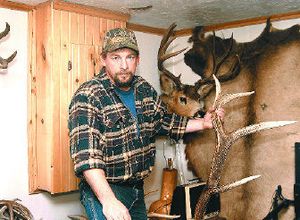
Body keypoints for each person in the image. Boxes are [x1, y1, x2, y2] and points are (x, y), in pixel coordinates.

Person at [68, 27, 224, 220]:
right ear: (103, 60)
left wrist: (203, 123)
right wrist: (109, 201)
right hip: (104, 190)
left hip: (136, 190)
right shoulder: (88, 96)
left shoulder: (144, 89)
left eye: (130, 57)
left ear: (137, 60)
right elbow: (86, 157)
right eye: (116, 57)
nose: (124, 65)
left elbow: (164, 122)